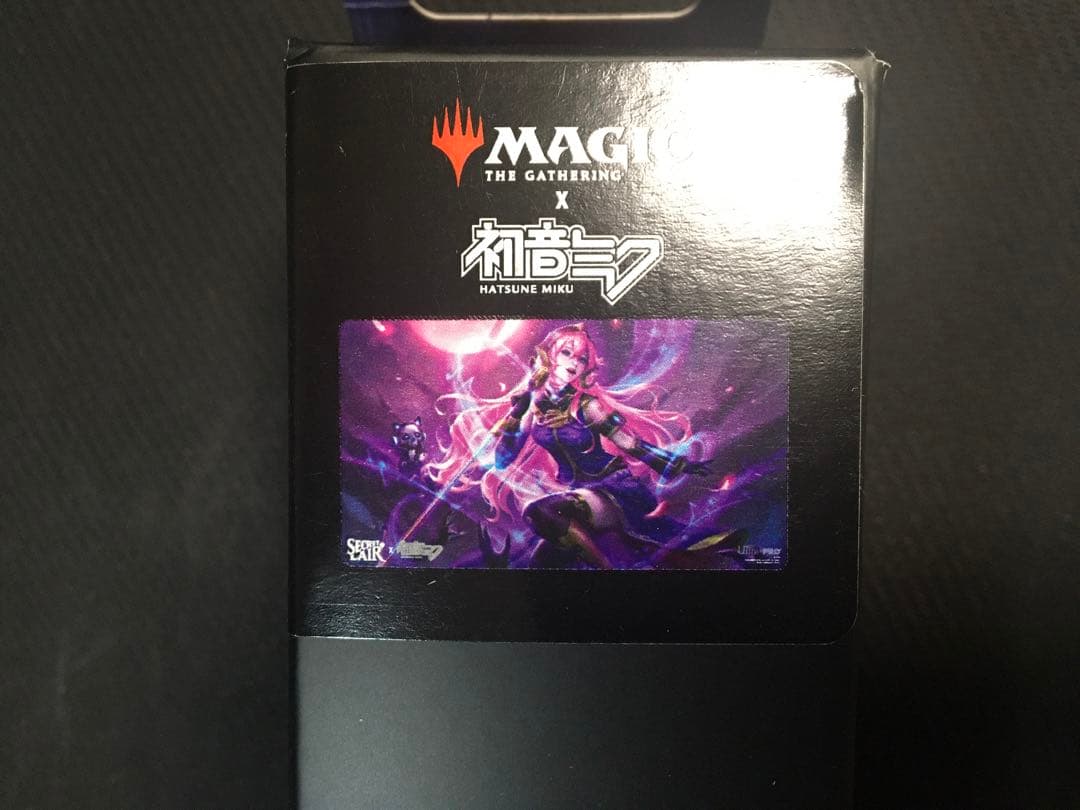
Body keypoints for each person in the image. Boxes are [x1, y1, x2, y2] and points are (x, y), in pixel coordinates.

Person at [428, 323, 711, 568]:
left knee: (541, 512)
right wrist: (516, 416)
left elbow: (629, 443)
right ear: (547, 355)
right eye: (566, 353)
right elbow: (503, 459)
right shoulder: (532, 407)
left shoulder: (586, 405)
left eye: (582, 359)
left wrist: (677, 464)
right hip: (579, 494)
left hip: (613, 491)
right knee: (541, 562)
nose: (574, 363)